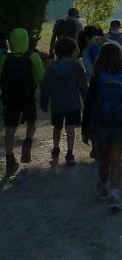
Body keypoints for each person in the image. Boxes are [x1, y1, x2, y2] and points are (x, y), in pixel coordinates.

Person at [82, 43, 122, 212]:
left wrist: (85, 129)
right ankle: (115, 195)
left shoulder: (97, 78)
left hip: (100, 123)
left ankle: (103, 185)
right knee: (116, 161)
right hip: (120, 123)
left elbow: (89, 105)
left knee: (105, 160)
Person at [1, 28, 45, 176]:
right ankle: (27, 144)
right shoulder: (33, 57)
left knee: (10, 128)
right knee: (31, 121)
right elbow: (41, 77)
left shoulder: (4, 59)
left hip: (11, 98)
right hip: (28, 96)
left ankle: (9, 158)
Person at [39, 36, 88, 165]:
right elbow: (83, 86)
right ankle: (70, 153)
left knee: (57, 127)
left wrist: (43, 102)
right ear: (73, 51)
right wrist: (87, 100)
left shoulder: (51, 67)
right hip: (73, 103)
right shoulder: (76, 67)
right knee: (70, 128)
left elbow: (46, 86)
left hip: (57, 103)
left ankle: (56, 148)